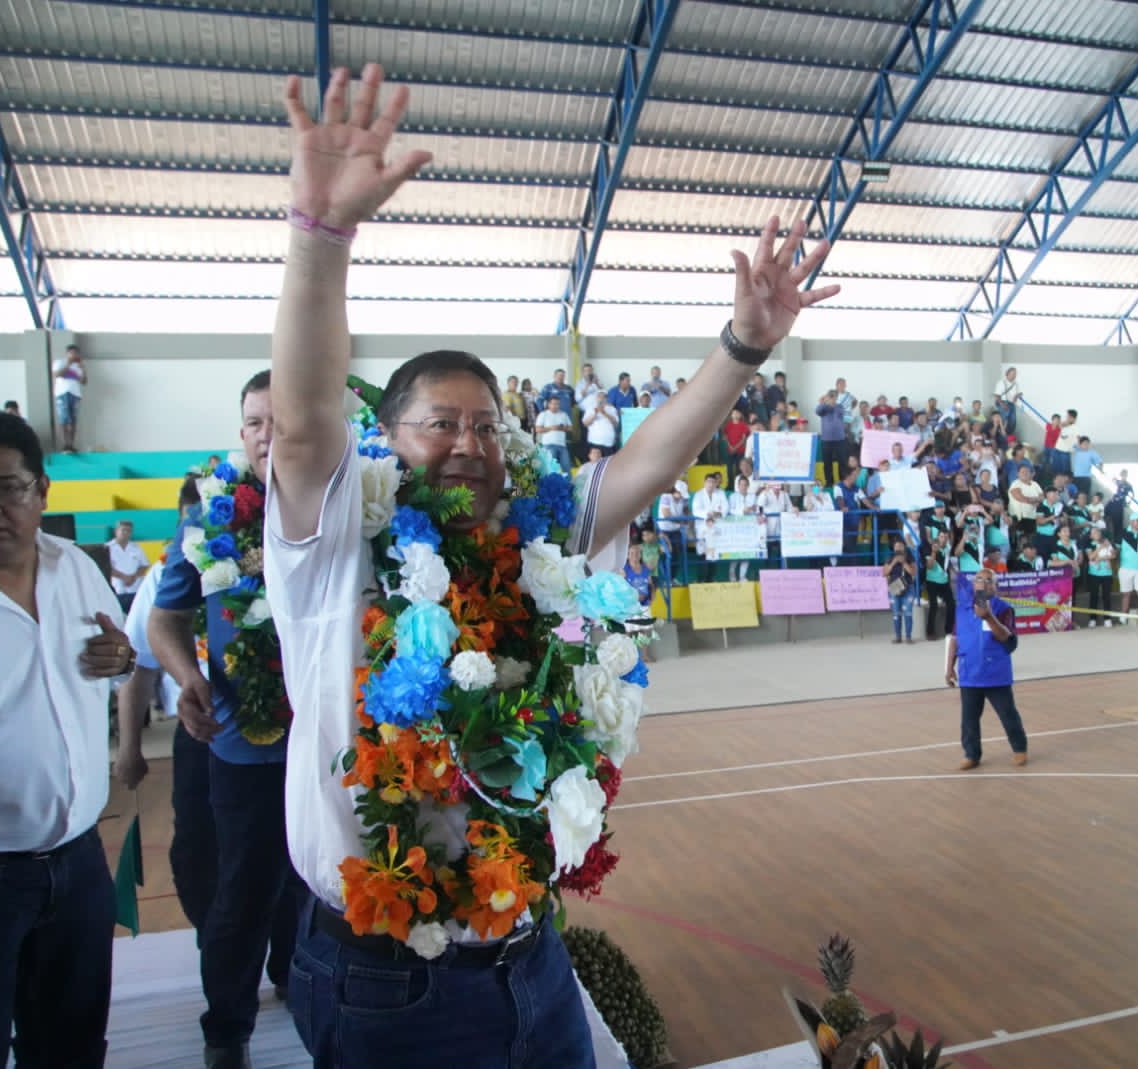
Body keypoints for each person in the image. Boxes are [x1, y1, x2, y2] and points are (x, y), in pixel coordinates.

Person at [262, 63, 839, 1068]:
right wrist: (319, 240)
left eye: (486, 423)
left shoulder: (537, 540)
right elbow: (304, 422)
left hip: (528, 952)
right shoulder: (337, 542)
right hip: (387, 972)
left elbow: (652, 459)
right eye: (438, 422)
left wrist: (742, 346)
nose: (467, 441)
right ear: (384, 442)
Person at [0, 405, 134, 1069]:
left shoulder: (73, 564)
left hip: (77, 865)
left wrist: (122, 657)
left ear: (41, 489)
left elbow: (113, 650)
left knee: (72, 1046)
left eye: (8, 487)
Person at [149, 372, 304, 1069]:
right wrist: (186, 677)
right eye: (253, 423)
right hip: (243, 747)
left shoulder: (356, 507)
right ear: (240, 433)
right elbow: (165, 618)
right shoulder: (208, 516)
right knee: (243, 889)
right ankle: (227, 1028)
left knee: (319, 884)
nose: (267, 434)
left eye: (281, 419)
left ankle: (301, 983)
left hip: (334, 746)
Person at [945, 569, 1028, 771]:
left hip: (995, 673)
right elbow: (955, 638)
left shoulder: (1003, 609)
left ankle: (1019, 748)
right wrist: (949, 667)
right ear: (974, 585)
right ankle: (971, 754)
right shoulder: (963, 609)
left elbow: (1007, 639)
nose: (983, 583)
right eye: (979, 579)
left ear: (995, 586)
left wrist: (989, 617)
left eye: (988, 580)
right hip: (969, 673)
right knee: (969, 719)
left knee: (1008, 714)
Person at [52, 342, 86, 453]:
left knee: (73, 420)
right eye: (71, 353)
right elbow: (57, 375)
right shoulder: (59, 362)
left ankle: (71, 444)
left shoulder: (78, 366)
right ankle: (65, 444)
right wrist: (68, 364)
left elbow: (84, 381)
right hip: (62, 393)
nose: (74, 355)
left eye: (76, 353)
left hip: (75, 394)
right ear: (67, 353)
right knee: (64, 419)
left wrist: (83, 369)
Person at [883, 537, 917, 644]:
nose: (898, 549)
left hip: (908, 587)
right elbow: (884, 573)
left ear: (904, 547)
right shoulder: (890, 558)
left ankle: (908, 636)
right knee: (896, 613)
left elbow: (913, 572)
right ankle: (898, 636)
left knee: (908, 613)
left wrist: (904, 563)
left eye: (900, 546)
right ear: (893, 548)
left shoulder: (910, 558)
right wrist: (893, 563)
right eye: (896, 546)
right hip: (895, 587)